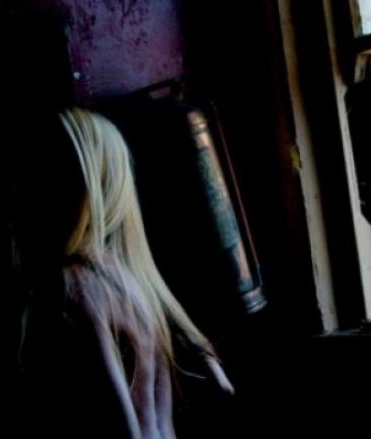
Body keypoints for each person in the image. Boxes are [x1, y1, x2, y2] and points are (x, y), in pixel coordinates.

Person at [17, 108, 233, 438]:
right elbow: (222, 387)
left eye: (43, 173)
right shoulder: (134, 278)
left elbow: (121, 425)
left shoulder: (72, 286)